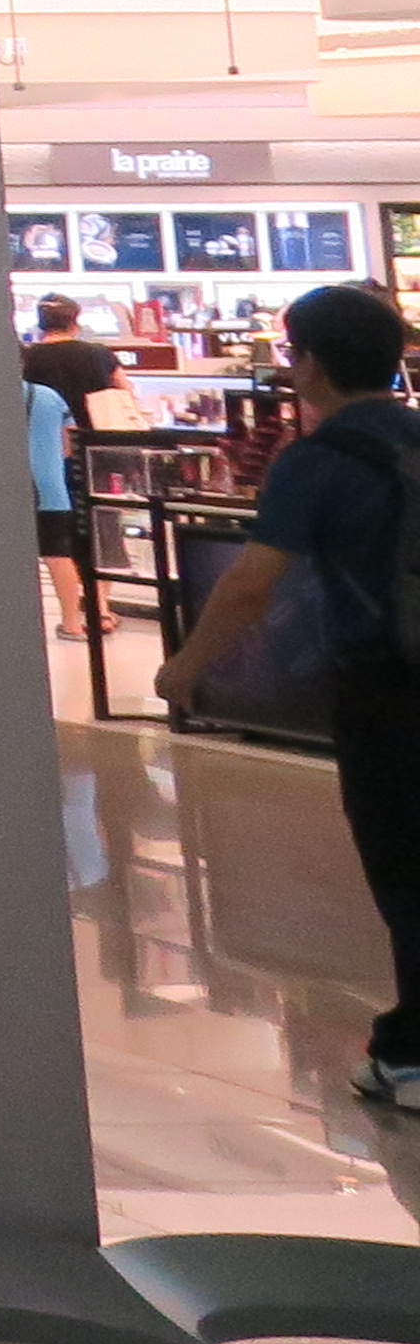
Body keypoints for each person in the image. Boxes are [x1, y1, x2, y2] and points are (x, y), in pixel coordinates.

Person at [168, 283, 420, 1107]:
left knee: (404, 864)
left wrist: (189, 663)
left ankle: (412, 1056)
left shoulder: (315, 462)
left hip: (387, 688)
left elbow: (251, 584)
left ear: (308, 361)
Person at [25, 295, 121, 641]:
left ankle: (71, 615)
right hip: (99, 454)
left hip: (50, 455)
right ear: (75, 320)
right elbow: (123, 390)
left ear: (40, 323)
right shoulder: (97, 354)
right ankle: (102, 610)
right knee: (100, 527)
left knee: (58, 534)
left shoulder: (30, 359)